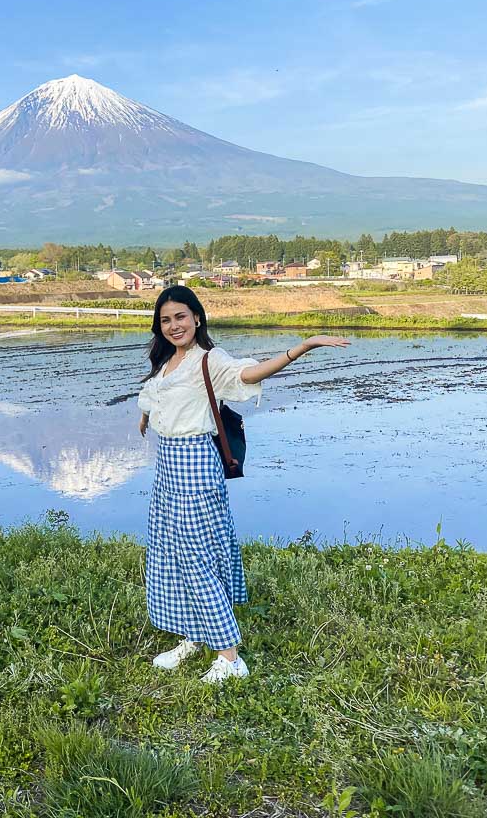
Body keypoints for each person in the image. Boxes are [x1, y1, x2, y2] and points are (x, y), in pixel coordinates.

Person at [137, 285, 349, 683]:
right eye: (165, 320)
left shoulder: (209, 360)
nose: (173, 325)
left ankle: (231, 659)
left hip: (195, 463)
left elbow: (248, 374)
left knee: (198, 558)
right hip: (168, 466)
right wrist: (146, 417)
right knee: (169, 551)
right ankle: (193, 635)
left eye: (180, 317)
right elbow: (154, 398)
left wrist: (302, 347)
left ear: (197, 318)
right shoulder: (169, 363)